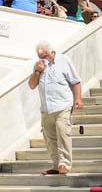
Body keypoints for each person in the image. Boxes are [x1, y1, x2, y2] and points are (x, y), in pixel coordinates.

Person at [28, 41, 83, 175]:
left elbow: (75, 81)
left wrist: (78, 99)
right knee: (50, 138)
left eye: (44, 57)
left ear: (52, 53)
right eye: (40, 57)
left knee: (63, 133)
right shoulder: (38, 66)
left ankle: (64, 164)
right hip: (46, 109)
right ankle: (56, 165)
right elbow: (32, 85)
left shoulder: (64, 60)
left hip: (63, 105)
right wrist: (37, 71)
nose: (42, 59)